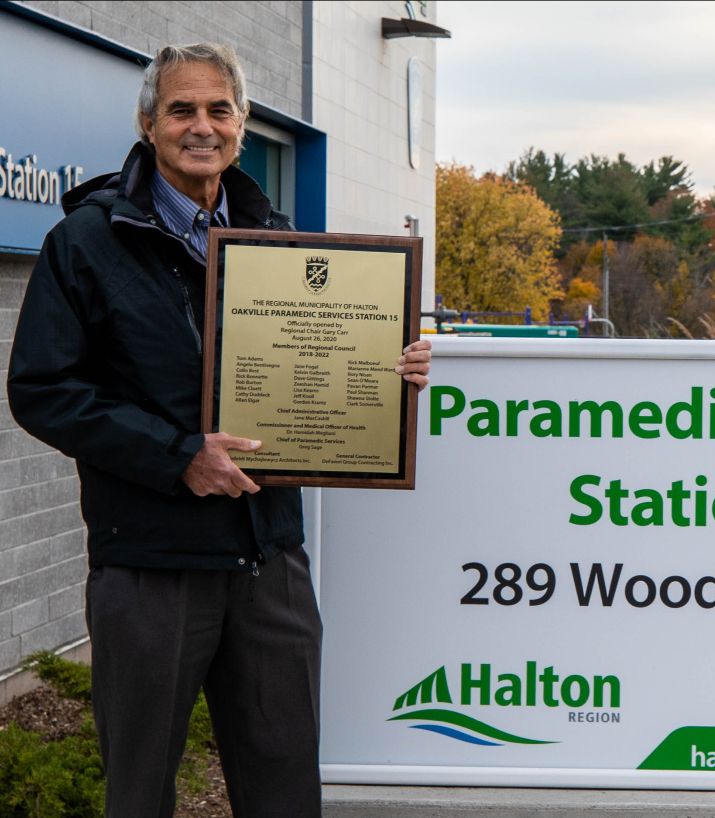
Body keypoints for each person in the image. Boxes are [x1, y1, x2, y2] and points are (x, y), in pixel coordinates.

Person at [7, 43, 431, 817]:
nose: (201, 126)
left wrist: (387, 369)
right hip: (149, 566)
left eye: (218, 109)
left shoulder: (283, 240)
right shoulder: (88, 243)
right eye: (181, 109)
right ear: (148, 124)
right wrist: (179, 458)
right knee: (138, 794)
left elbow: (317, 364)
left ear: (241, 125)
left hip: (269, 559)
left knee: (285, 792)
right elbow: (42, 390)